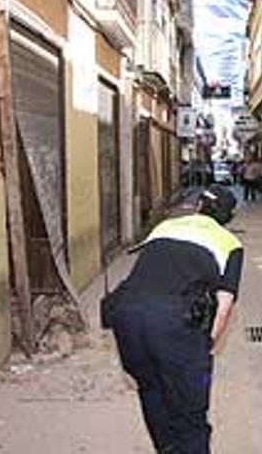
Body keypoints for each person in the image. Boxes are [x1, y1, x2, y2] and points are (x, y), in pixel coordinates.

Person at [101, 185, 243, 453]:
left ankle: (167, 449)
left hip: (127, 318)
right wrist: (205, 345)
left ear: (198, 205)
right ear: (227, 218)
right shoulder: (229, 243)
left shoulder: (165, 227)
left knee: (151, 390)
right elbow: (224, 307)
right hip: (174, 326)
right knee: (190, 415)